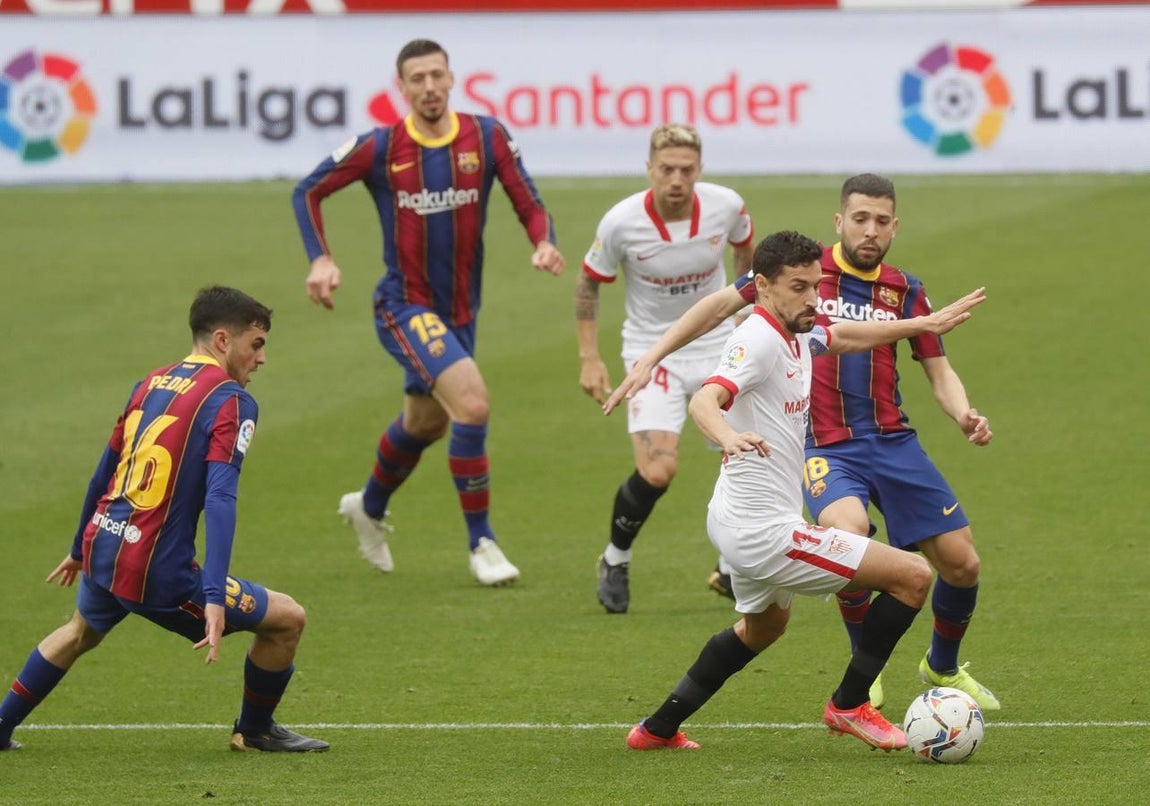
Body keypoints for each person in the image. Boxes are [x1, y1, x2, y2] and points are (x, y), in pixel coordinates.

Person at [607, 173, 999, 712]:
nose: (870, 229)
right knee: (857, 538)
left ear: (894, 227)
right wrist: (654, 357)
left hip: (891, 440)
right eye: (859, 218)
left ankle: (942, 667)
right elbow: (719, 312)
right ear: (839, 221)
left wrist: (956, 400)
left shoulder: (896, 291)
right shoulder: (792, 276)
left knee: (961, 564)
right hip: (825, 448)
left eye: (881, 221)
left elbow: (901, 355)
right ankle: (862, 681)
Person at [0, 287, 327, 753]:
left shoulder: (151, 382)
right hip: (158, 573)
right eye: (256, 344)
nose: (262, 358)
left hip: (106, 544)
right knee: (287, 619)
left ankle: (0, 725)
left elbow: (104, 471)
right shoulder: (231, 401)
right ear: (221, 340)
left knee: (79, 631)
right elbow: (220, 497)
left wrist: (79, 548)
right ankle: (253, 731)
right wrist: (212, 594)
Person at [292, 38, 565, 586]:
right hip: (404, 304)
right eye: (417, 79)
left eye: (437, 75)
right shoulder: (380, 147)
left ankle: (367, 506)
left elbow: (528, 200)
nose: (429, 87)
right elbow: (308, 191)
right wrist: (320, 258)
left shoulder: (486, 136)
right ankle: (482, 543)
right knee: (472, 404)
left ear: (452, 78)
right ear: (401, 88)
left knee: (425, 421)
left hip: (460, 311)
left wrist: (544, 241)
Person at [575, 123, 754, 614]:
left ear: (700, 170)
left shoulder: (726, 206)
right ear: (649, 168)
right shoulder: (620, 223)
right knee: (658, 470)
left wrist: (744, 312)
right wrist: (589, 357)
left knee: (743, 455)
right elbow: (589, 285)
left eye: (687, 169)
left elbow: (746, 250)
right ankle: (615, 558)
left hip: (719, 344)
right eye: (667, 169)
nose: (677, 179)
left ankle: (729, 567)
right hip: (652, 353)